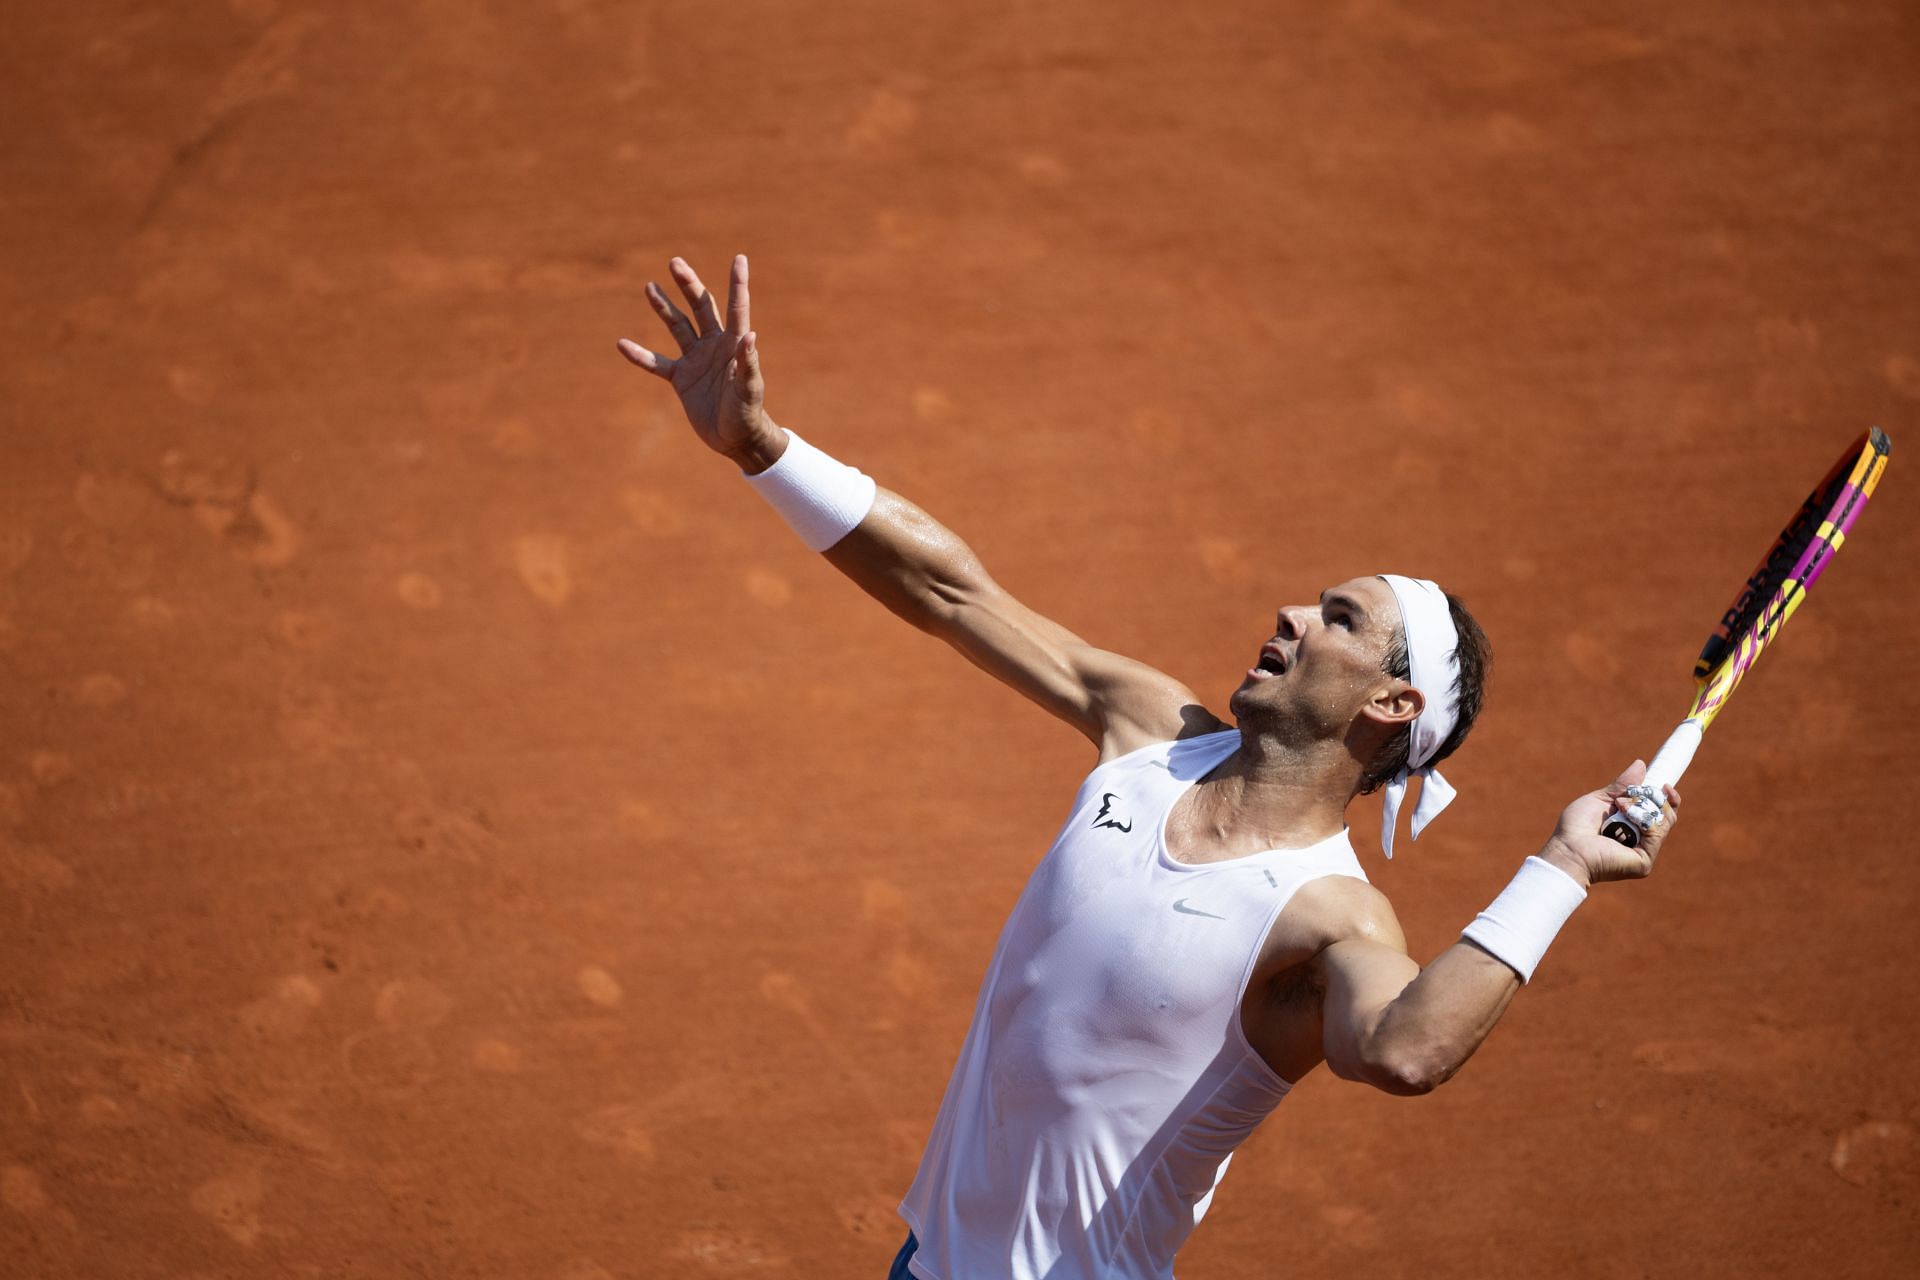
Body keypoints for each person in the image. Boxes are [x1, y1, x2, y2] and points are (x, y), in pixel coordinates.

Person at [617, 255, 1682, 1280]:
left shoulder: (1327, 921)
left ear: (1391, 702)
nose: (1294, 612)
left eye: (1340, 619)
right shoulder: (1153, 731)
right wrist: (763, 447)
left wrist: (1561, 866)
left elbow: (1406, 1049)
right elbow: (953, 594)